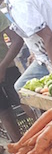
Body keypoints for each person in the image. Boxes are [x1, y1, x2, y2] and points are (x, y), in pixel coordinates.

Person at [0, 12, 24, 144]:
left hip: (8, 69)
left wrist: (2, 67)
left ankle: (45, 141)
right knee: (3, 111)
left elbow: (17, 40)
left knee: (26, 102)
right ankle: (20, 148)